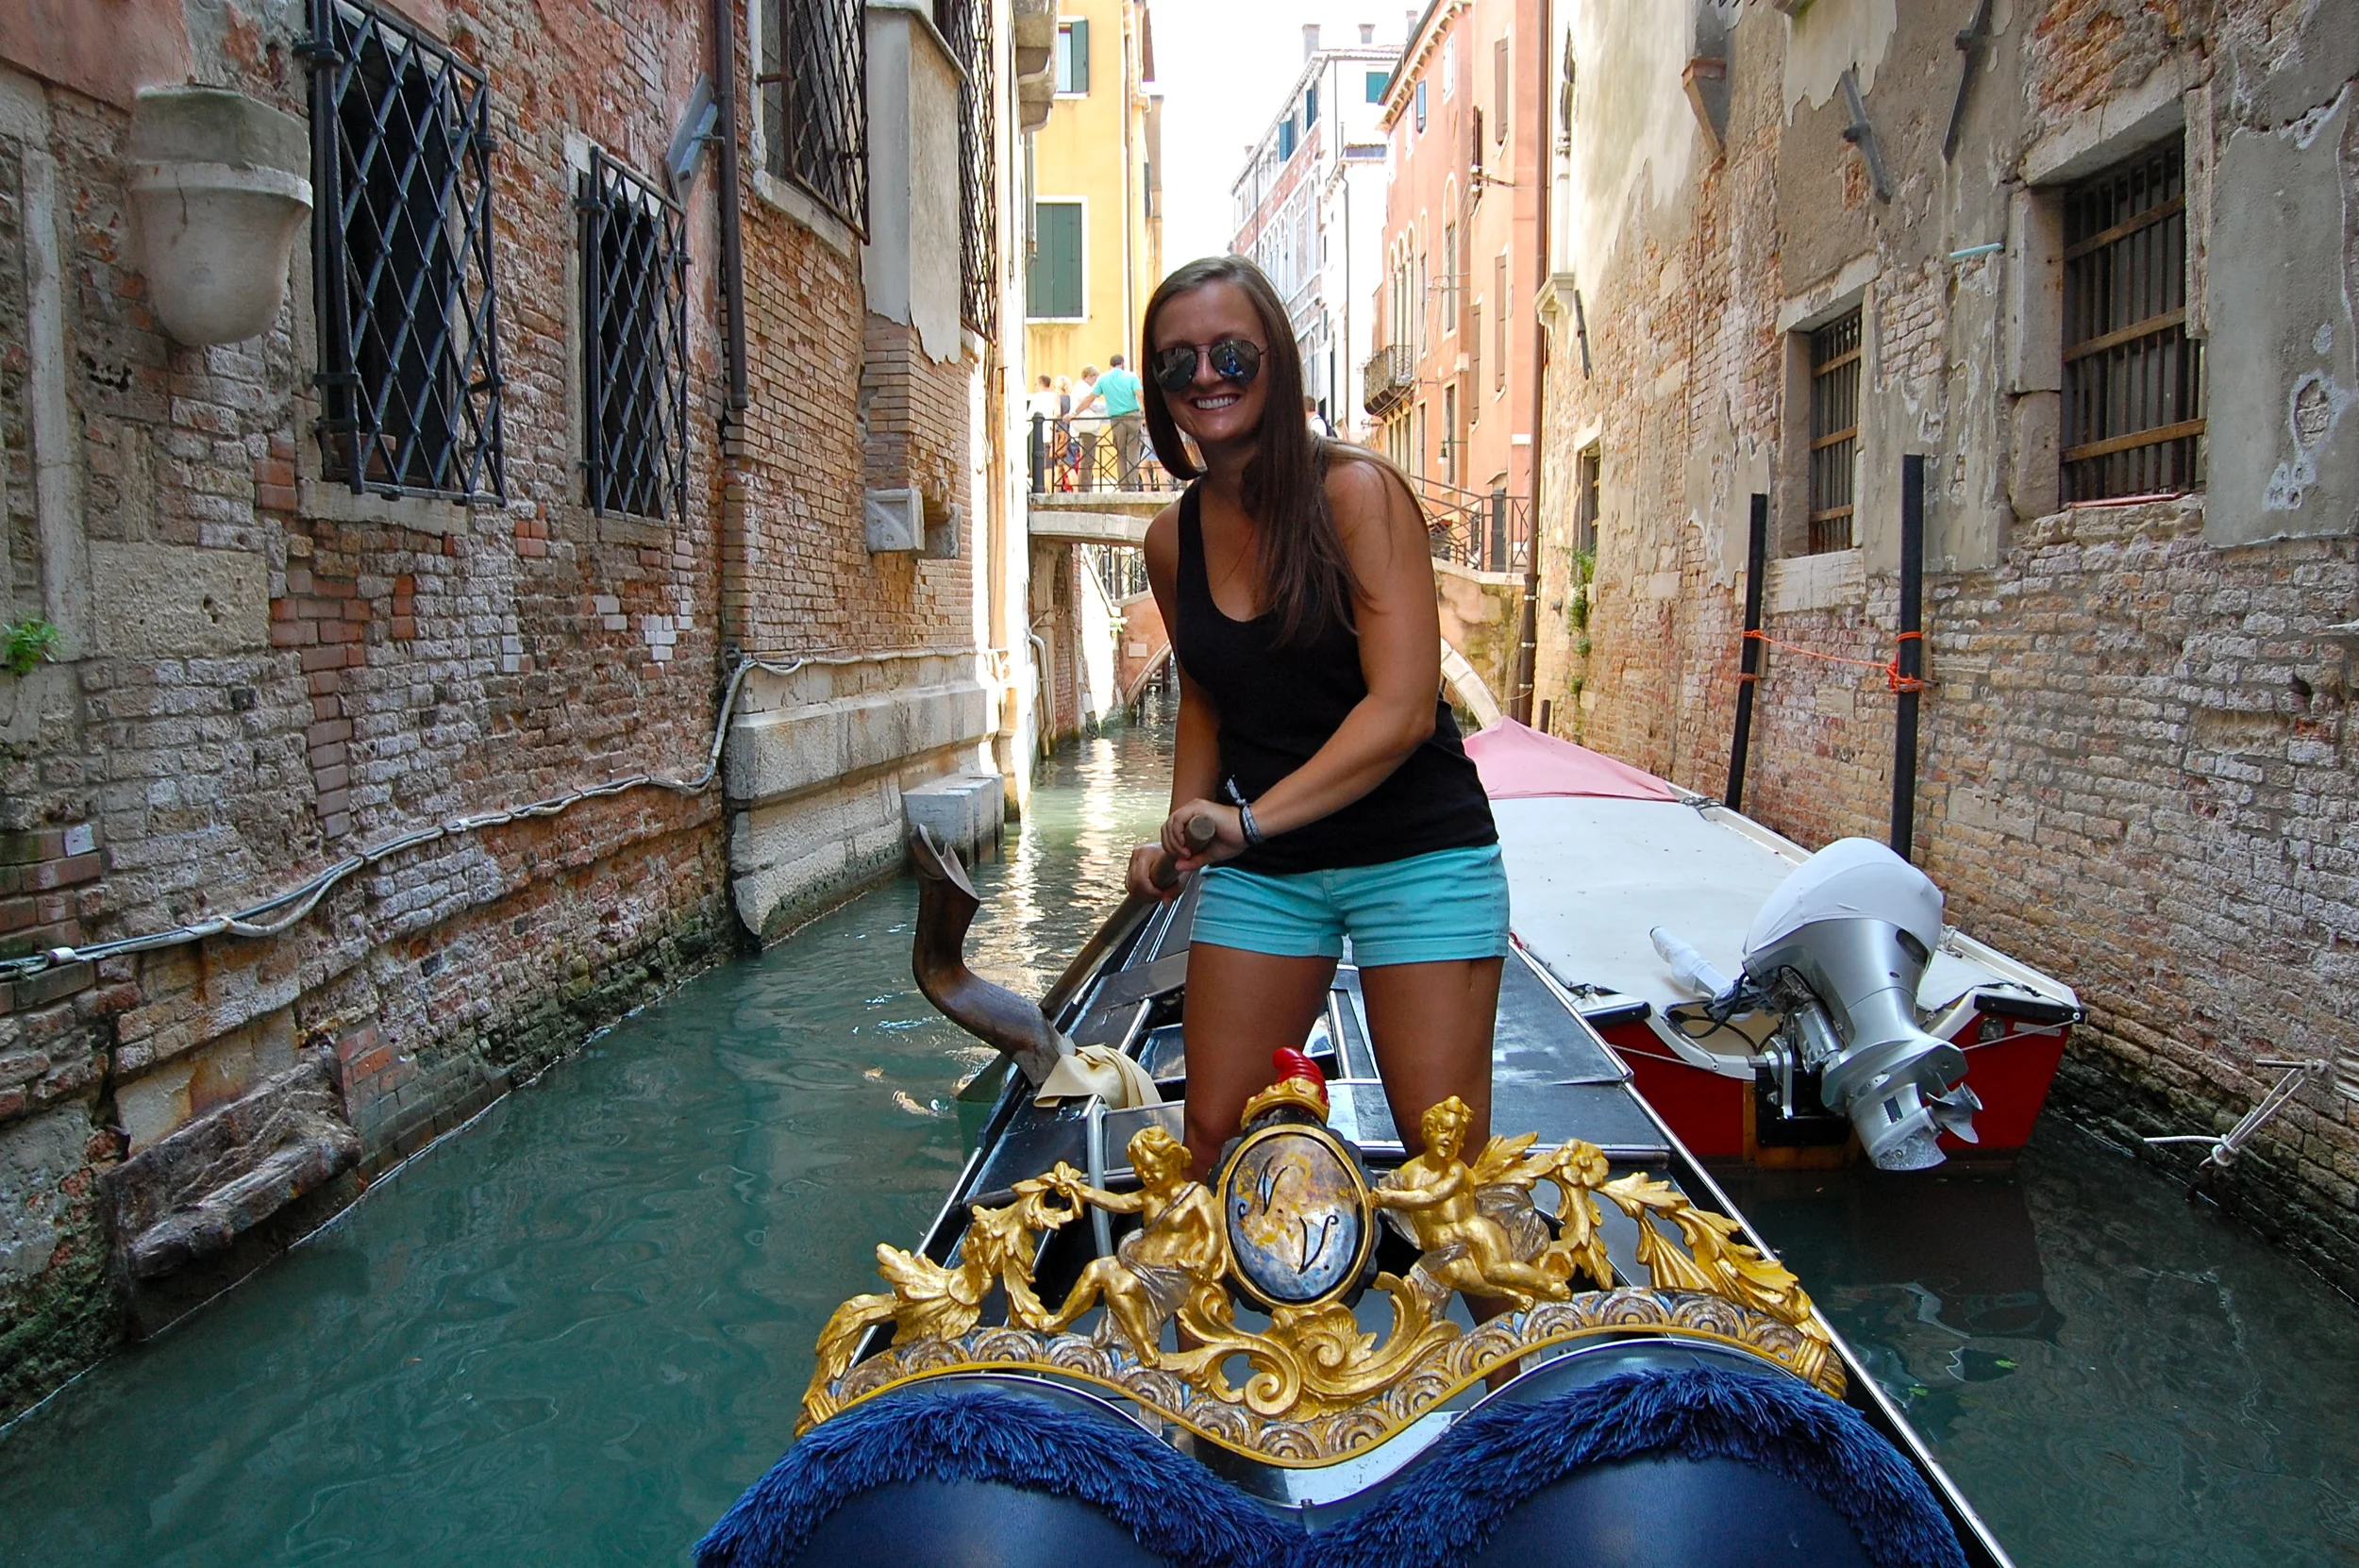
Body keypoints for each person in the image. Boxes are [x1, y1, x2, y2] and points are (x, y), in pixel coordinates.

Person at [1126, 255, 1507, 1183]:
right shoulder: (1171, 541)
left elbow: (1404, 709)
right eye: (1176, 363)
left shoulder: (1357, 495)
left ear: (1278, 363)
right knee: (1212, 1137)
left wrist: (1245, 821)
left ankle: (1527, 1333)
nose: (1204, 377)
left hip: (1415, 855)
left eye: (1230, 354)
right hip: (1274, 872)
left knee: (1442, 1159)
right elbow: (1210, 692)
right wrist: (1183, 827)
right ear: (1158, 390)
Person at [1097, 353, 1146, 489]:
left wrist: (1074, 413)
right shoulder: (1131, 376)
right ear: (1123, 364)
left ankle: (1123, 486)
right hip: (1133, 417)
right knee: (1133, 452)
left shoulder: (1103, 378)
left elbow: (1090, 397)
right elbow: (1140, 394)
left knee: (1121, 453)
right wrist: (1147, 413)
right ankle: (1133, 485)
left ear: (1110, 364)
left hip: (1116, 419)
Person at [1069, 365, 1104, 492]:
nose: (1095, 380)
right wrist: (1107, 408)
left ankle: (1086, 486)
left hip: (1086, 426)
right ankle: (1084, 487)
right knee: (1087, 458)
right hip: (1087, 426)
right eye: (1094, 376)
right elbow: (1092, 404)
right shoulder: (1083, 388)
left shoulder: (1081, 388)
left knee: (1088, 458)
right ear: (1087, 376)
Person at [1025, 375, 1062, 485]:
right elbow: (1057, 413)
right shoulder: (1055, 396)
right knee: (1052, 462)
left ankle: (1045, 487)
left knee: (1044, 462)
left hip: (1040, 433)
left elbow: (1029, 416)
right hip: (1053, 432)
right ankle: (1051, 487)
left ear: (1040, 383)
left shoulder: (1036, 397)